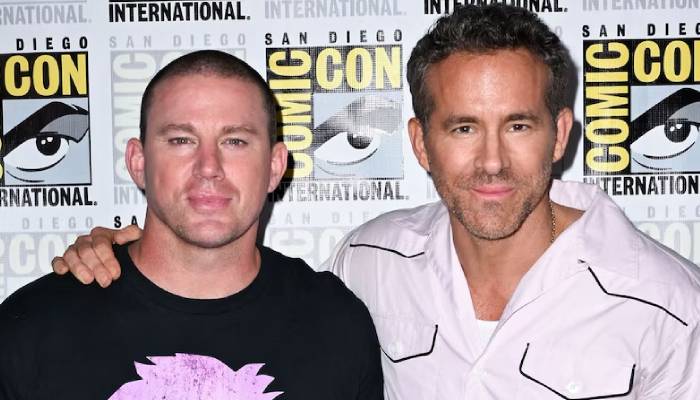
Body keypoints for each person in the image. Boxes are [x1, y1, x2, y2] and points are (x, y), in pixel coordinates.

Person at [52, 4, 700, 399]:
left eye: (519, 125)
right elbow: (241, 302)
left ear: (560, 134)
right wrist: (125, 252)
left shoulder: (672, 306)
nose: (492, 160)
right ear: (420, 142)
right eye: (463, 127)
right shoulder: (367, 262)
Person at [0, 50, 383, 400]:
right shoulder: (33, 329)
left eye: (235, 141)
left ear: (274, 166)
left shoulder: (334, 324)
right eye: (182, 140)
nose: (209, 167)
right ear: (138, 163)